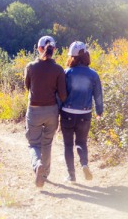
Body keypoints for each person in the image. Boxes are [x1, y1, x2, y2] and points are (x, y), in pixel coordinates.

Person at [24, 36, 67, 187]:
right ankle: (45, 173)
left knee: (33, 143)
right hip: (51, 111)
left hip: (34, 110)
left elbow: (27, 87)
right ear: (54, 50)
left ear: (38, 48)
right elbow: (63, 95)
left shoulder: (30, 67)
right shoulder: (58, 69)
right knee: (47, 143)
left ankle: (37, 165)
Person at [61, 41, 103, 184]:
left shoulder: (66, 72)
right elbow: (98, 95)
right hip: (85, 114)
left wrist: (57, 110)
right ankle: (84, 164)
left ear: (72, 57)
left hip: (67, 113)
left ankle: (71, 176)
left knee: (67, 145)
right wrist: (99, 111)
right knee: (81, 142)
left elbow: (60, 94)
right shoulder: (93, 74)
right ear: (86, 55)